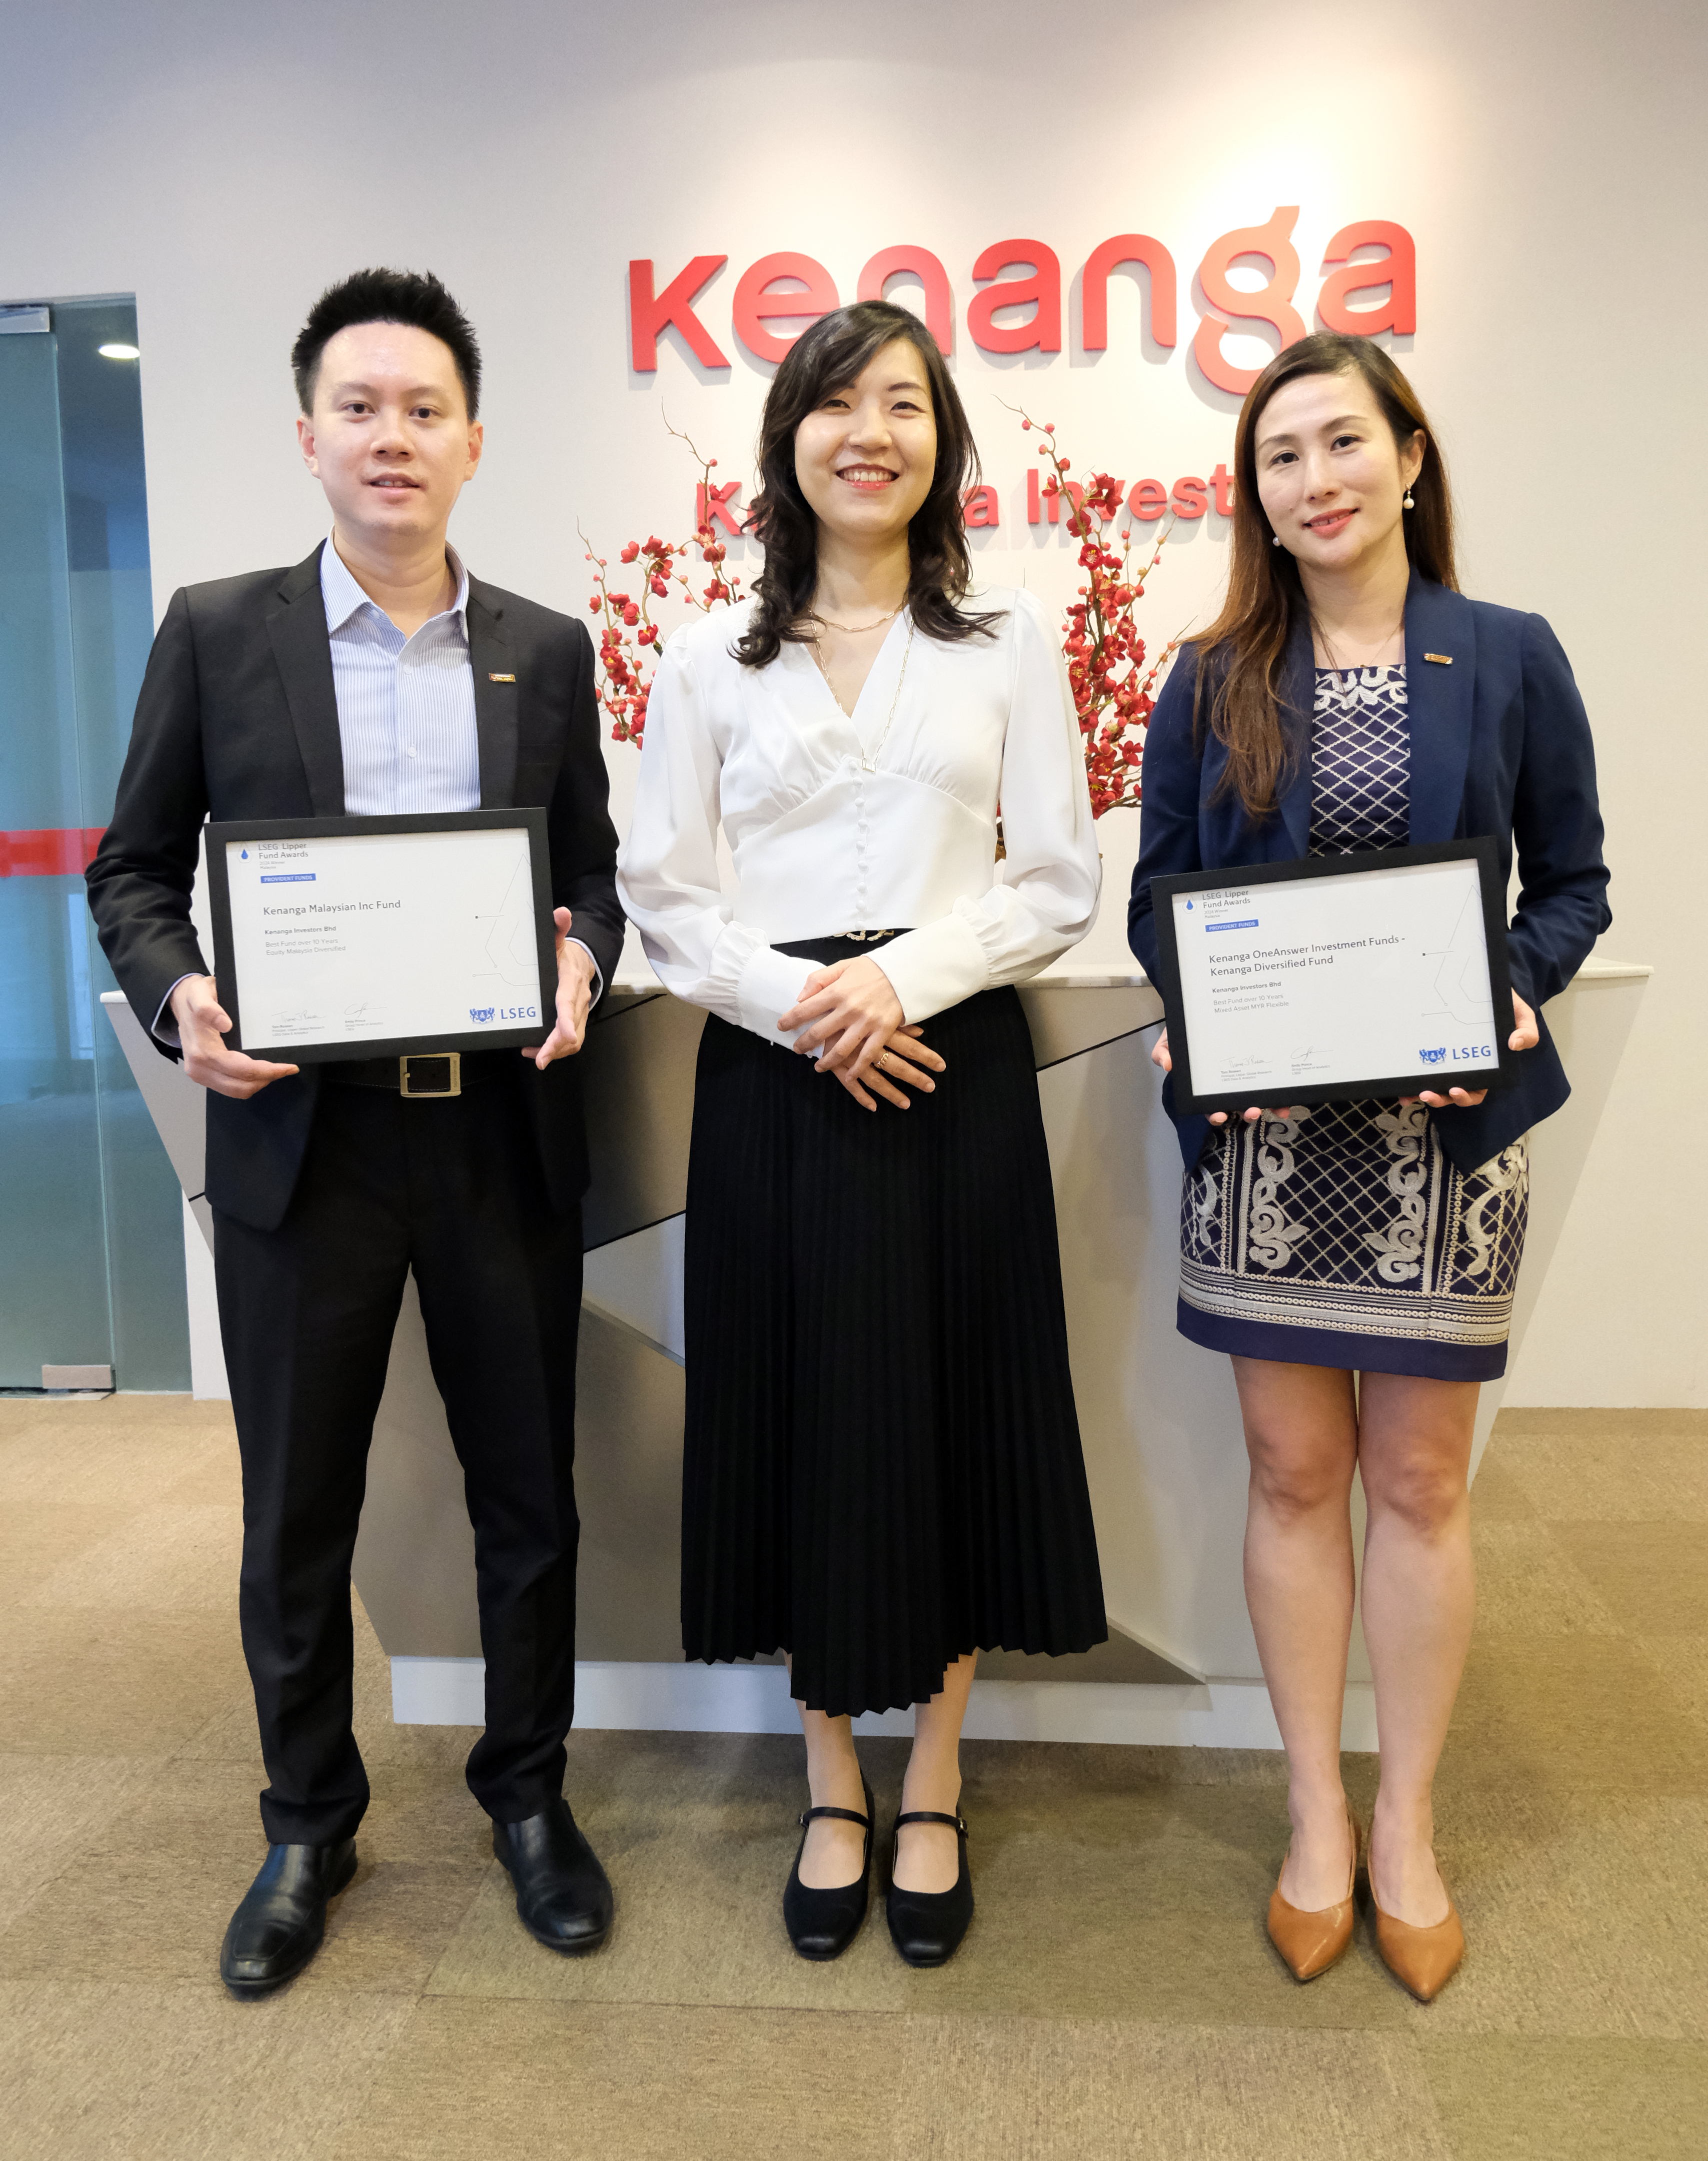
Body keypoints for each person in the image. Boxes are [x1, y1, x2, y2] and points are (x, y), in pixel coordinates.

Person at [86, 269, 627, 1995]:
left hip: (496, 1142)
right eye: (360, 407)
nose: (392, 437)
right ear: (307, 434)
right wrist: (182, 996)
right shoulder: (218, 627)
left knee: (526, 1492)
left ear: (474, 440)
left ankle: (527, 1796)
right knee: (293, 1502)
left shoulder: (545, 647)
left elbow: (596, 874)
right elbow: (132, 870)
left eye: (425, 411)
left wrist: (582, 952)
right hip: (303, 1151)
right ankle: (307, 1817)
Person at [618, 300, 1107, 1967]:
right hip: (773, 1081)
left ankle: (940, 1780)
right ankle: (831, 1779)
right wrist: (799, 1006)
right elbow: (663, 899)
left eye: (904, 404)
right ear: (789, 439)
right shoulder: (707, 656)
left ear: (940, 445)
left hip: (951, 1064)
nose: (869, 433)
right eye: (836, 404)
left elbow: (1054, 877)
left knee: (948, 1409)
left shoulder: (1006, 644)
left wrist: (898, 982)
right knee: (800, 1413)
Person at [1128, 333, 1609, 2000]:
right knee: (1289, 1477)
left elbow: (1574, 883)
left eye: (1343, 444)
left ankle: (1406, 1824)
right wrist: (1193, 1017)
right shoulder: (1208, 679)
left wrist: (1517, 987)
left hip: (1441, 1144)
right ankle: (1313, 1816)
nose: (1314, 481)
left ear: (1409, 457)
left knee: (1419, 1484)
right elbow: (1161, 898)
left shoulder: (1511, 655)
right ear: (1253, 492)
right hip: (1267, 1144)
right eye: (1280, 457)